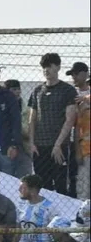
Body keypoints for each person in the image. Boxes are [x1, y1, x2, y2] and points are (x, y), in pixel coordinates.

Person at [29, 53, 78, 195]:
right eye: (44, 67)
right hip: (40, 147)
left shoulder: (67, 90)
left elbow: (70, 119)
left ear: (58, 67)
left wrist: (58, 144)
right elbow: (32, 119)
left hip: (59, 147)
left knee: (61, 185)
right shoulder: (37, 91)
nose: (46, 70)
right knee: (42, 186)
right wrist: (32, 143)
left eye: (49, 66)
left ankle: (62, 217)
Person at [70, 62, 91, 199]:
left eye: (76, 74)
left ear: (85, 74)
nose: (74, 77)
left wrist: (85, 99)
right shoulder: (71, 94)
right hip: (81, 146)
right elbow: (75, 126)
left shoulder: (86, 95)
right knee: (82, 185)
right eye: (72, 75)